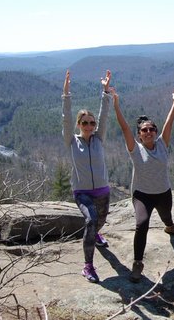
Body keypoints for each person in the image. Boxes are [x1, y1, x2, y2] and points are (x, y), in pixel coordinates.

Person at [112, 84, 174, 283]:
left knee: (167, 218)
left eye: (152, 129)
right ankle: (137, 263)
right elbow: (124, 127)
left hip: (163, 192)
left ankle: (171, 227)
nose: (149, 132)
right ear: (139, 134)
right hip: (142, 195)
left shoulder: (162, 144)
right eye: (145, 130)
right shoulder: (135, 149)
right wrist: (116, 104)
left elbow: (170, 122)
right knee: (141, 224)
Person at [62, 69, 112, 283]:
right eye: (85, 123)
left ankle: (95, 234)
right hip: (82, 192)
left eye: (92, 123)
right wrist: (66, 94)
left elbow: (105, 114)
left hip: (103, 190)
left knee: (98, 222)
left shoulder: (99, 138)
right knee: (91, 220)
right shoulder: (72, 141)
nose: (90, 126)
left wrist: (105, 91)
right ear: (79, 125)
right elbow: (65, 118)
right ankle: (88, 266)